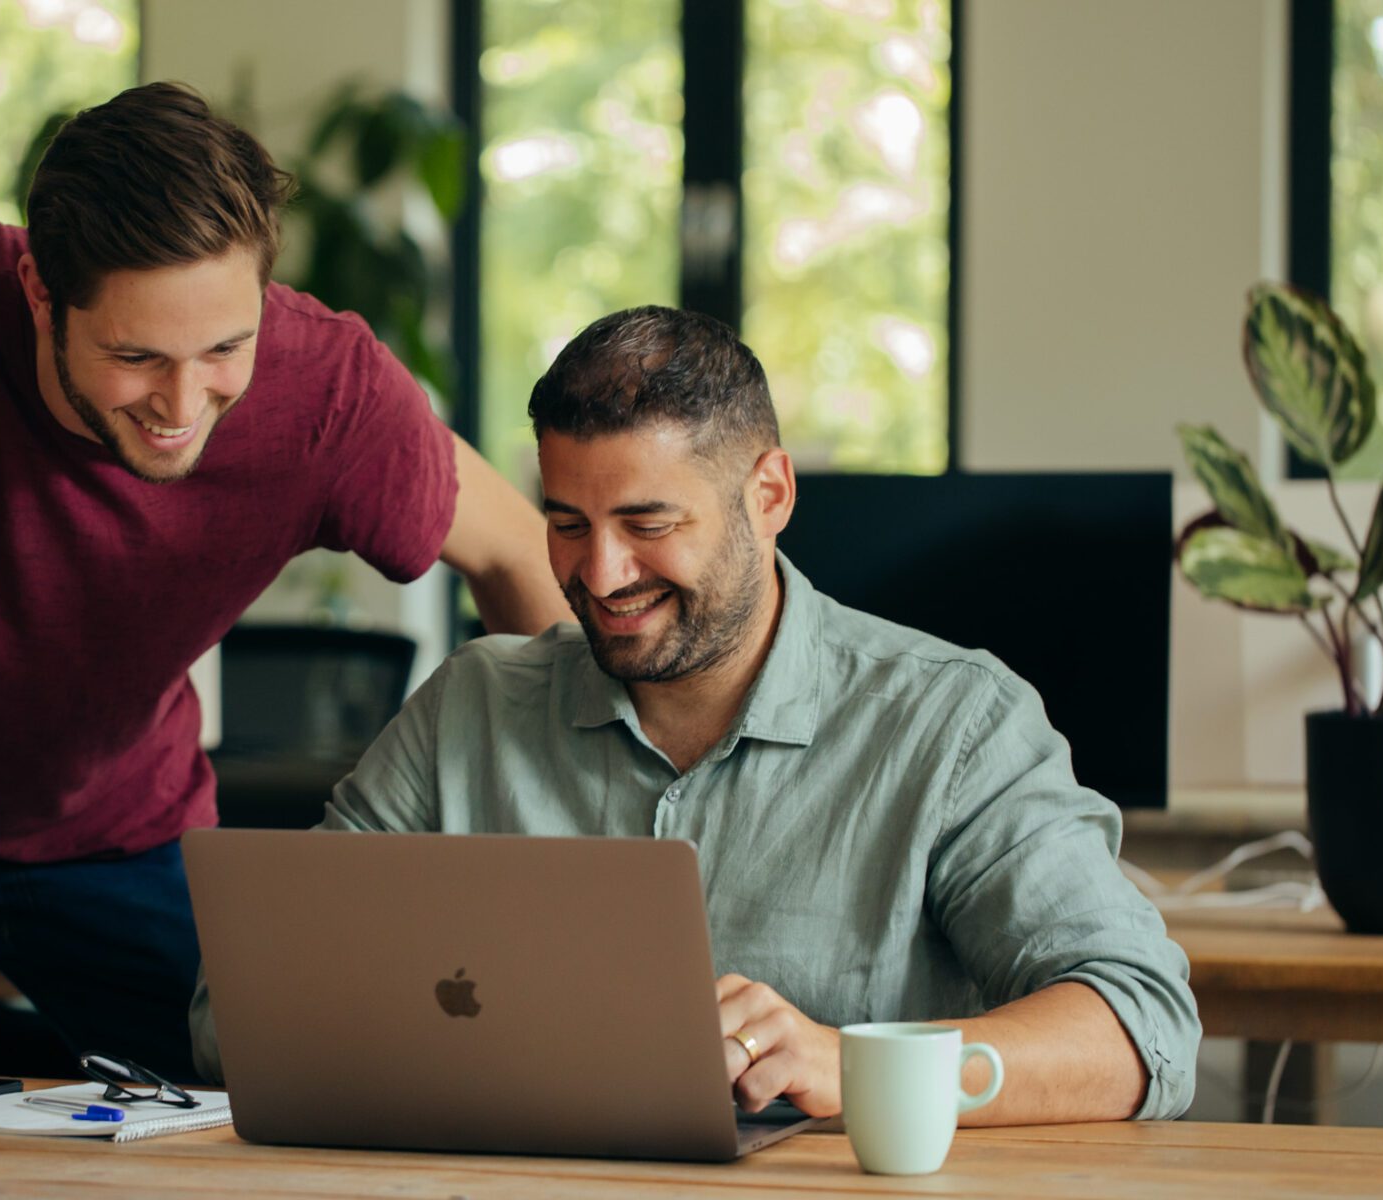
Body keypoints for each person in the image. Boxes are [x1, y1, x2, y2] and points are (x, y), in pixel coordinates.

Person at [0, 83, 570, 1091]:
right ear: (38, 291)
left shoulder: (327, 389)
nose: (182, 402)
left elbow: (519, 555)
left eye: (223, 350)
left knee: (269, 1104)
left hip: (125, 830)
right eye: (135, 355)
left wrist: (558, 882)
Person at [190, 306, 1200, 1123]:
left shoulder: (950, 725)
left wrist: (844, 1064)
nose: (599, 574)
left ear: (768, 493)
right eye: (566, 524)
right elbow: (234, 1015)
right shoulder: (471, 705)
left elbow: (1138, 1027)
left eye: (646, 523)